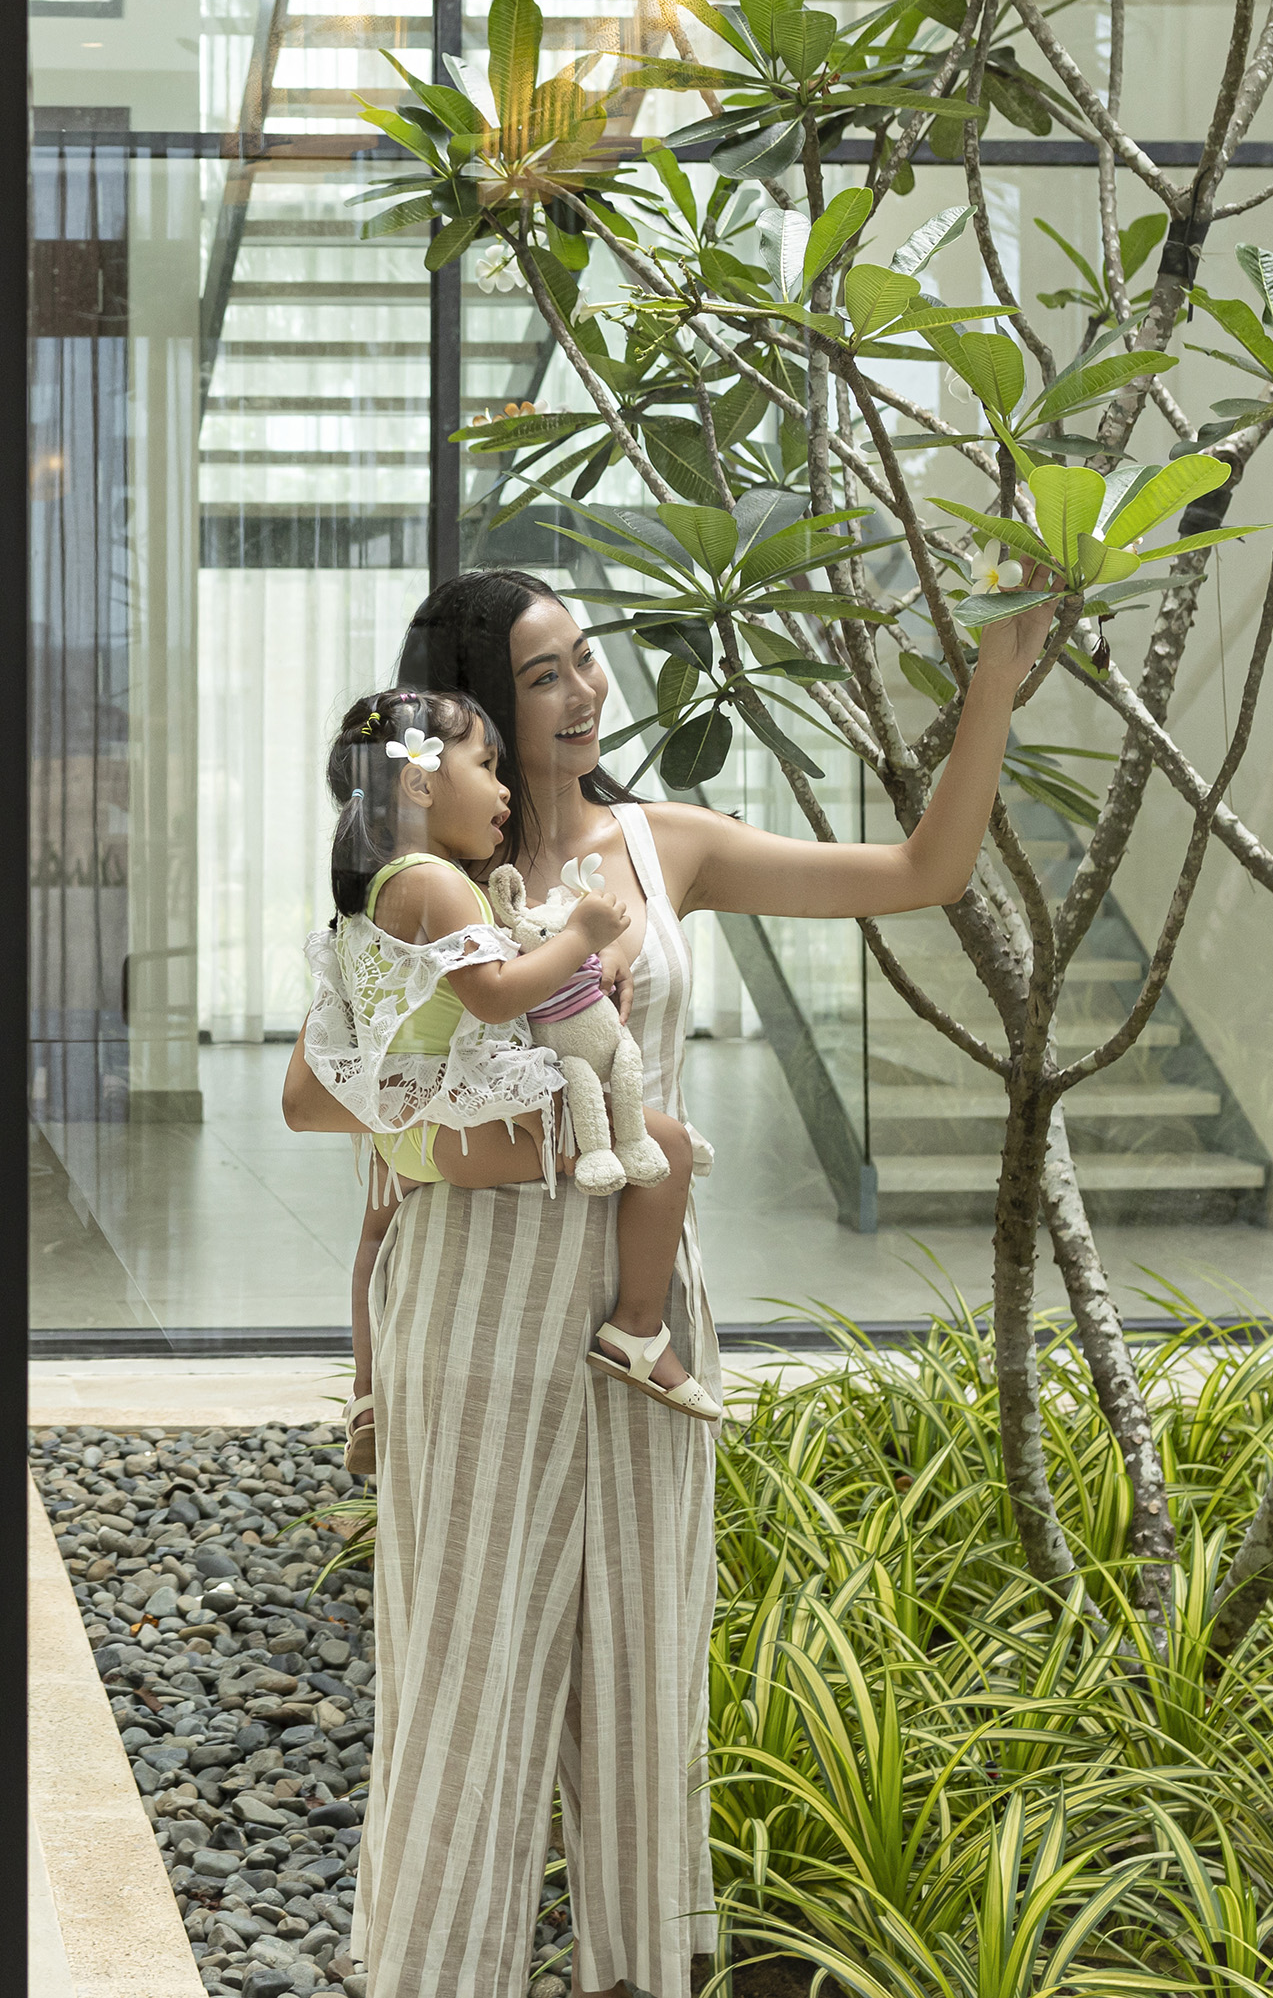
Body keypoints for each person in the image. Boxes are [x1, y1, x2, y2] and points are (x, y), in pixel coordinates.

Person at [292, 565, 1053, 1998]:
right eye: (539, 674)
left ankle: (632, 1978)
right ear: (455, 713)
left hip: (643, 1315)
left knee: (645, 1669)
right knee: (467, 1668)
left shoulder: (663, 847)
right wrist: (480, 1151)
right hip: (470, 1299)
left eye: (584, 660)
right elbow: (311, 1089)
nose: (584, 691)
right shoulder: (421, 885)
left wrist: (992, 691)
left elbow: (917, 873)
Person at [305, 687, 718, 1487]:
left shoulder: (372, 888)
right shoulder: (439, 882)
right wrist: (583, 938)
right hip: (465, 1123)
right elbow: (495, 994)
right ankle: (637, 1329)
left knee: (370, 1240)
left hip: (408, 1132)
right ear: (421, 784)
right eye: (487, 765)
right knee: (661, 1143)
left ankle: (364, 1395)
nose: (503, 791)